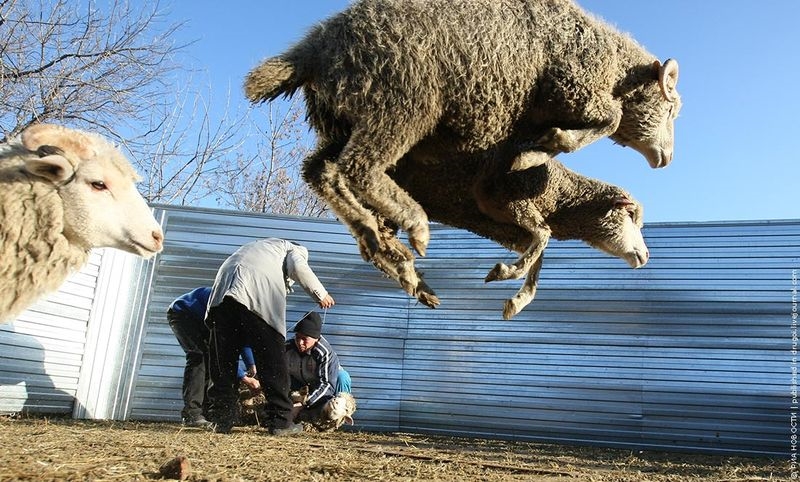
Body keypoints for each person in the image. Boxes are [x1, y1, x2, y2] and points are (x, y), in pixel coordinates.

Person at [205, 238, 335, 436]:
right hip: (257, 289)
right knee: (272, 358)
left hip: (223, 292)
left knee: (224, 359)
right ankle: (281, 421)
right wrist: (321, 293)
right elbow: (298, 267)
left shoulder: (258, 247)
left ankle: (221, 419)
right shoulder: (293, 248)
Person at [167, 287, 259, 428]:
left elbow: (243, 339)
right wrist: (244, 378)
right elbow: (222, 352)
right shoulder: (232, 307)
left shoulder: (251, 312)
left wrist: (252, 365)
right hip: (184, 313)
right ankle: (192, 414)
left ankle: (206, 412)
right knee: (199, 357)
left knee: (210, 361)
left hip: (205, 319)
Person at [285, 311, 351, 421]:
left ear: (315, 339)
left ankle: (338, 417)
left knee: (342, 377)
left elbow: (327, 385)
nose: (300, 342)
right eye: (297, 337)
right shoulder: (287, 348)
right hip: (301, 385)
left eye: (305, 339)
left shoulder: (325, 353)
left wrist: (303, 403)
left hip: (325, 388)